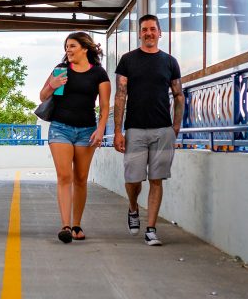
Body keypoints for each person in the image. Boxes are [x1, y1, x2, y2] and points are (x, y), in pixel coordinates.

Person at [113, 14, 182, 246]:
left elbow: (178, 94)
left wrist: (176, 127)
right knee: (133, 179)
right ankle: (133, 208)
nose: (149, 33)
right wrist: (118, 131)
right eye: (144, 30)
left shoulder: (170, 62)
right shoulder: (128, 60)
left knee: (156, 179)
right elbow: (120, 94)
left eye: (153, 29)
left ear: (160, 33)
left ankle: (151, 229)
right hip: (135, 129)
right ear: (139, 34)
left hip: (163, 130)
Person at [39, 32, 111, 243]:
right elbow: (42, 96)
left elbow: (105, 106)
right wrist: (53, 84)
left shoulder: (99, 73)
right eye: (66, 47)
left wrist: (100, 129)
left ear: (84, 48)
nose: (68, 50)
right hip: (60, 128)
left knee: (80, 178)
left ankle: (77, 224)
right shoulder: (61, 70)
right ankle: (65, 226)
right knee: (64, 176)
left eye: (72, 46)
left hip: (87, 131)